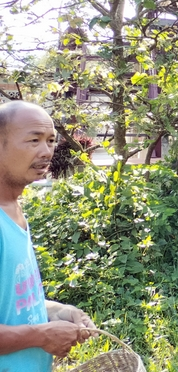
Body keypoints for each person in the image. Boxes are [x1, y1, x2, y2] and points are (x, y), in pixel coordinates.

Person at [0, 100, 96, 371]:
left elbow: (13, 303)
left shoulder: (13, 210)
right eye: (33, 140)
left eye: (51, 140)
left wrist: (57, 312)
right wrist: (42, 335)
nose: (46, 151)